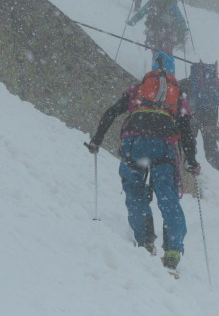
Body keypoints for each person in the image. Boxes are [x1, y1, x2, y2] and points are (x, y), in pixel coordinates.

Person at [86, 51, 201, 272]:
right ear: (173, 71)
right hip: (163, 146)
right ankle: (173, 251)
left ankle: (145, 242)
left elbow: (112, 112)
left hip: (135, 141)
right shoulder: (178, 95)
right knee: (167, 197)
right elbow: (186, 132)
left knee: (135, 191)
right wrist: (191, 161)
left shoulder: (138, 89)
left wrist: (97, 140)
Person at [179, 61, 219, 173]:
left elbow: (178, 87)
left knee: (190, 138)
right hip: (210, 115)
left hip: (195, 114)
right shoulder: (215, 84)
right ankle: (218, 165)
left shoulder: (191, 82)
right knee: (210, 143)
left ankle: (189, 161)